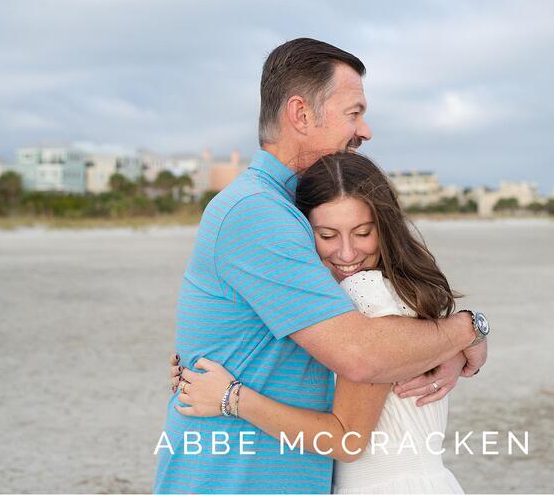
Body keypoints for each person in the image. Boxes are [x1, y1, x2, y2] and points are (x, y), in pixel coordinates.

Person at [154, 38, 487, 494]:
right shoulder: (256, 212)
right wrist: (466, 329)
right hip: (234, 481)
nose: (365, 130)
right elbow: (361, 354)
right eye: (354, 112)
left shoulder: (289, 211)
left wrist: (442, 343)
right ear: (301, 114)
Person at [171, 152, 478, 493]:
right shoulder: (397, 292)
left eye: (363, 233)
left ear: (385, 228)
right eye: (328, 236)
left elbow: (347, 440)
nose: (346, 254)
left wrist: (232, 398)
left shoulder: (365, 293)